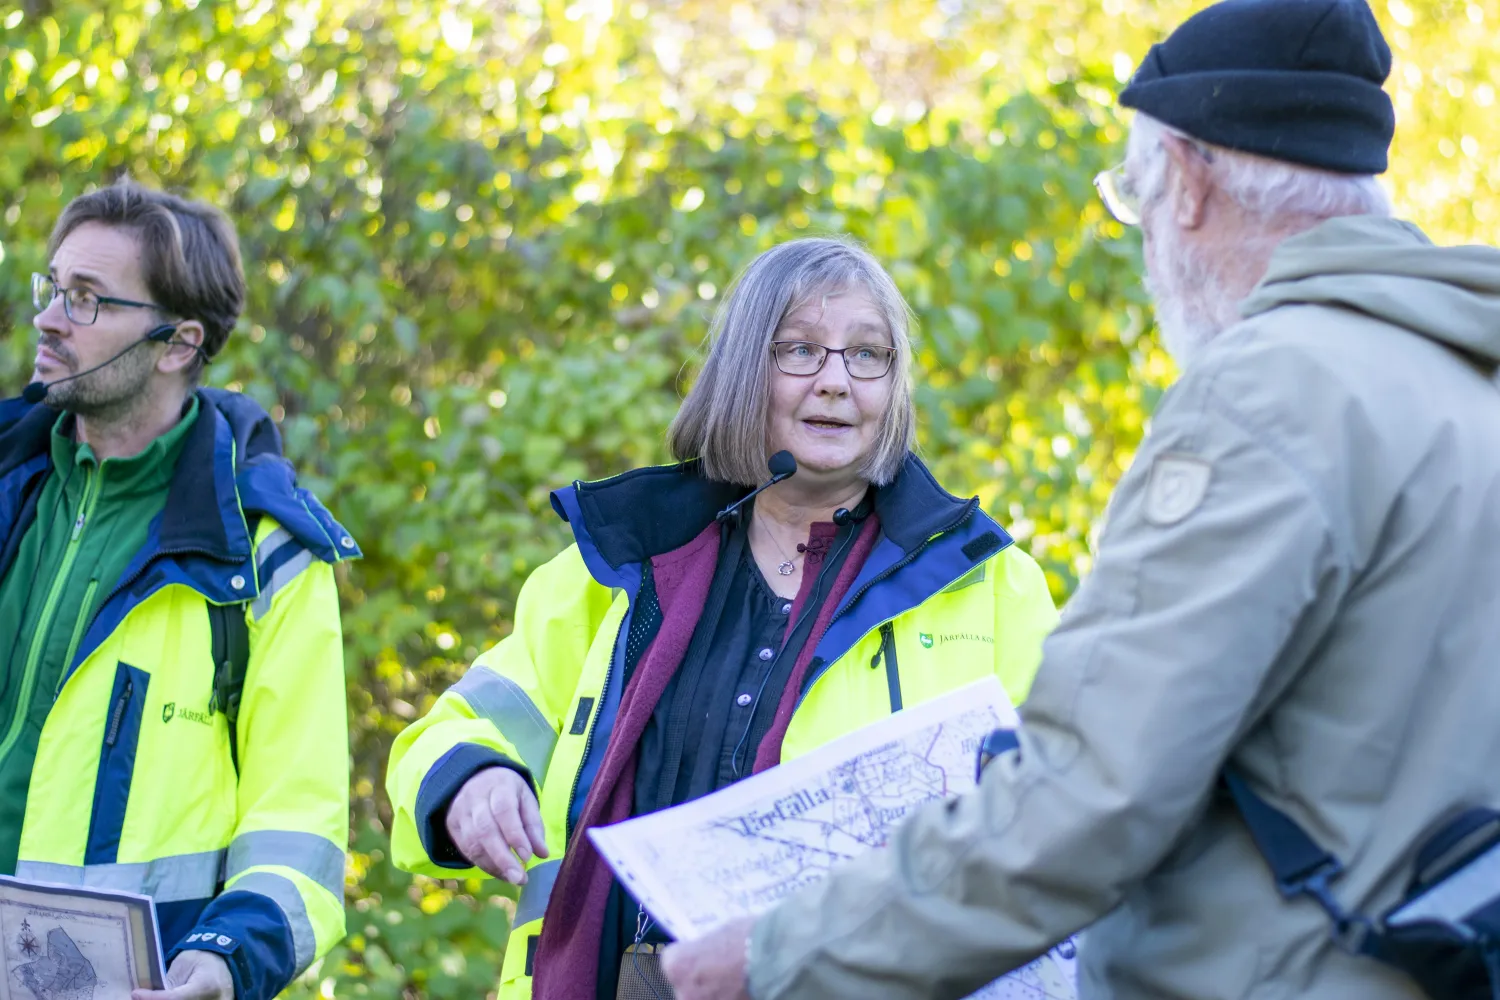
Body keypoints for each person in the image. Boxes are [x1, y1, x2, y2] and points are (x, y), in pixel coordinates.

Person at [661, 1, 1500, 998]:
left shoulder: (1270, 392)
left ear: (1185, 181)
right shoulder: (1463, 381)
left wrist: (780, 952)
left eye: (1131, 197)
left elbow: (1091, 795)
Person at [385, 236, 1059, 999]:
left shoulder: (989, 586)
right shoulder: (622, 568)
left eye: (867, 356)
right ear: (744, 371)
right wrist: (473, 779)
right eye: (800, 351)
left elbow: (1065, 826)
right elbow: (445, 736)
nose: (837, 382)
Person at [0, 180, 357, 1000]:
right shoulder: (8, 486)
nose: (50, 319)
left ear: (176, 343)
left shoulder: (268, 556)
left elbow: (297, 826)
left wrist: (227, 960)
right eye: (52, 289)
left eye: (87, 300)